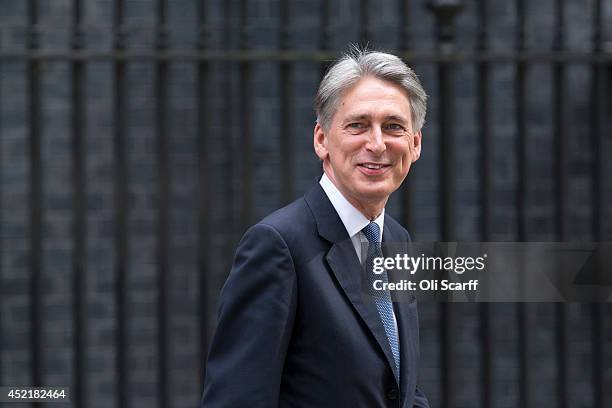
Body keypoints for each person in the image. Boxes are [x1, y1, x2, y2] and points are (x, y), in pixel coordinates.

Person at [201, 48, 430, 408]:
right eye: (357, 125)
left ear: (415, 144)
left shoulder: (396, 241)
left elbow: (400, 390)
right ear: (321, 139)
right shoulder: (278, 246)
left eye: (393, 127)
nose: (376, 143)